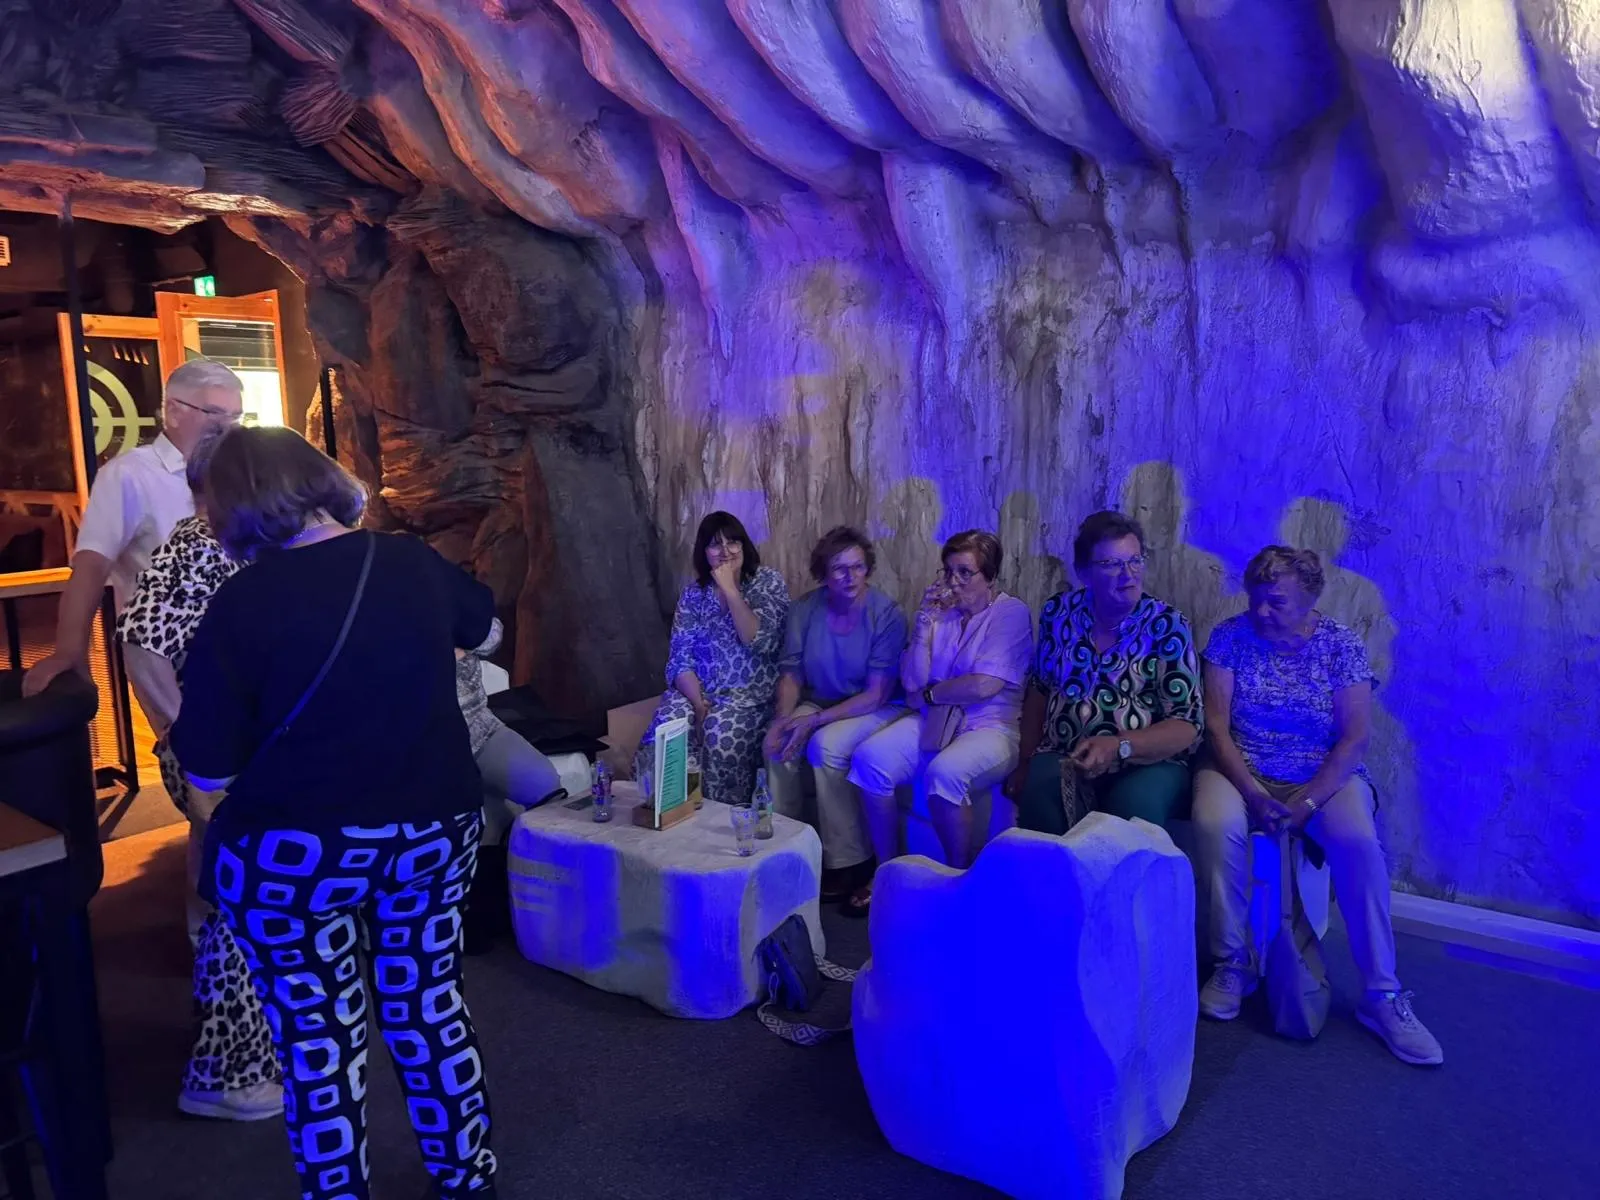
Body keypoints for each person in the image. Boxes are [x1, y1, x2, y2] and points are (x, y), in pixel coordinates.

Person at [169, 427, 499, 1200]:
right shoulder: (411, 562)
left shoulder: (242, 602)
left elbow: (208, 769)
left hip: (297, 852)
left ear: (234, 508)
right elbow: (485, 631)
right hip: (430, 827)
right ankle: (466, 1177)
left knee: (317, 1038)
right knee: (428, 1005)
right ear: (319, 478)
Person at [1192, 546, 1442, 1065]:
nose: (1262, 612)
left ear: (1309, 598)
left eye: (1277, 602)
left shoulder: (1340, 646)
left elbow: (1353, 739)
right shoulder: (1230, 637)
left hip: (1321, 774)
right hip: (1242, 768)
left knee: (1357, 842)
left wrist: (1307, 801)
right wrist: (1254, 793)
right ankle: (1232, 963)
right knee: (1215, 822)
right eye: (1256, 600)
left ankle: (1382, 994)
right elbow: (1216, 728)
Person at [115, 427, 281, 1122]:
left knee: (245, 903)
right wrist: (191, 742)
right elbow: (142, 646)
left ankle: (249, 1059)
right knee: (240, 913)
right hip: (221, 759)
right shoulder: (196, 543)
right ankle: (225, 1073)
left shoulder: (236, 542)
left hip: (243, 755)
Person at [23, 359, 244, 696]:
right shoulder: (129, 475)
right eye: (214, 413)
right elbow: (91, 565)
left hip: (246, 651)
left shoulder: (237, 472)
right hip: (172, 662)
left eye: (235, 417)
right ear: (173, 411)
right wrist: (69, 653)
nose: (228, 427)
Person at [846, 531, 1032, 909]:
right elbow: (913, 682)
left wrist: (932, 694)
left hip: (991, 726)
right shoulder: (942, 614)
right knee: (870, 759)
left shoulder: (1010, 614)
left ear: (990, 577)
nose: (954, 582)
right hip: (936, 721)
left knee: (945, 774)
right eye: (948, 571)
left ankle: (958, 881)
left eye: (965, 572)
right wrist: (922, 628)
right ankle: (887, 871)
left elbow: (984, 685)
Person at [1004, 511, 1202, 831]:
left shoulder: (1167, 626)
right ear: (1084, 573)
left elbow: (1187, 724)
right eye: (1112, 564)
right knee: (1041, 803)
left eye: (1135, 560)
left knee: (1132, 810)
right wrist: (1025, 761)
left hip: (1148, 761)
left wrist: (1120, 746)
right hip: (1065, 751)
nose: (1128, 575)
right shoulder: (1060, 613)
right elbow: (1039, 689)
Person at [765, 527, 907, 899]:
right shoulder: (805, 609)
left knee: (825, 746)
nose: (850, 577)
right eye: (839, 569)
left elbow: (876, 694)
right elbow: (792, 672)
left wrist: (812, 721)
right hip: (821, 698)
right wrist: (783, 719)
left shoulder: (886, 614)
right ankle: (786, 853)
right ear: (824, 573)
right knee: (779, 746)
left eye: (858, 567)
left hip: (872, 705)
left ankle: (848, 862)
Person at [635, 512, 789, 804]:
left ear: (744, 546)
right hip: (698, 691)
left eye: (733, 542)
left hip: (747, 699)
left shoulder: (767, 583)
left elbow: (759, 640)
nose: (725, 551)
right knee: (665, 729)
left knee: (719, 736)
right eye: (715, 544)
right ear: (704, 552)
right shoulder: (694, 594)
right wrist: (697, 704)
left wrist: (730, 589)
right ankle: (665, 811)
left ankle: (719, 817)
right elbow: (680, 659)